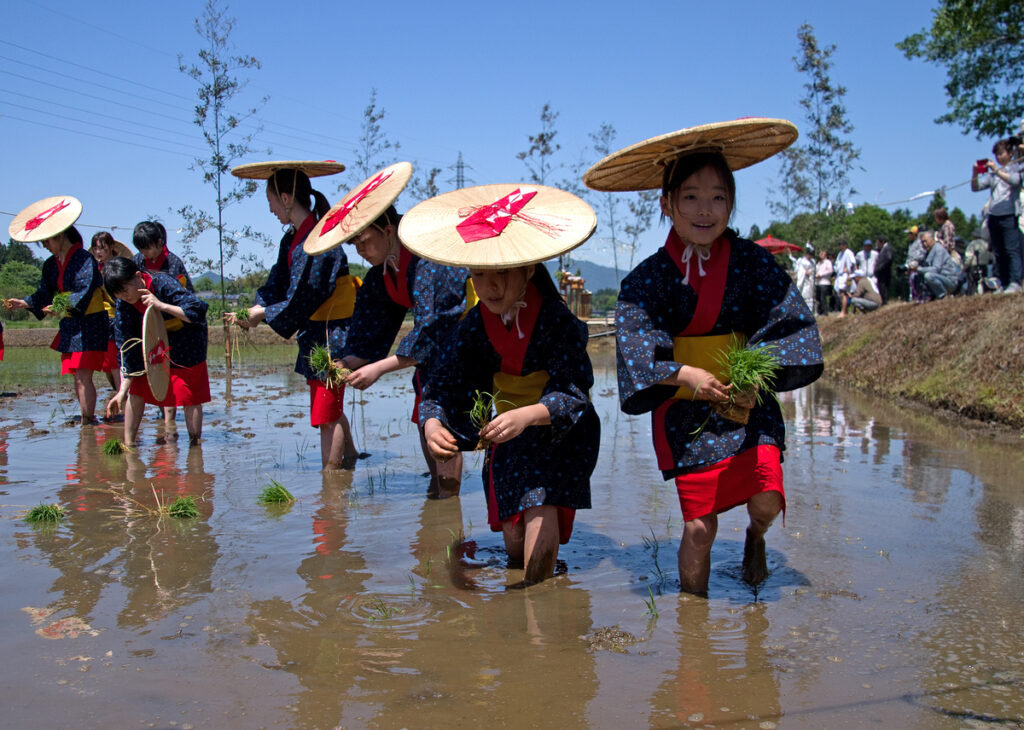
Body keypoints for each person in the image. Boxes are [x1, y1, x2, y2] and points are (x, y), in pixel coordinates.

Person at [584, 118, 823, 596]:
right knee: (699, 528)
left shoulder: (753, 263)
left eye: (718, 197)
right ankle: (692, 619)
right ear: (667, 204)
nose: (705, 209)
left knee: (767, 498)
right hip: (685, 410)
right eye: (691, 196)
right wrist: (686, 374)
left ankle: (756, 535)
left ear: (731, 203)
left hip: (746, 401)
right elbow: (638, 349)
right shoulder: (646, 280)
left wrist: (754, 375)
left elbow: (790, 325)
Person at [409, 182, 601, 585]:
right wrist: (432, 422)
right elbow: (442, 384)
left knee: (541, 511)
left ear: (528, 269)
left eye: (502, 273)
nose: (490, 287)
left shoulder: (557, 321)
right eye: (480, 275)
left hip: (557, 433)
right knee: (514, 543)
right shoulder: (472, 328)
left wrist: (528, 415)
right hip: (507, 435)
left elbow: (575, 391)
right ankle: (532, 587)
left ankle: (536, 607)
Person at [304, 162, 473, 499]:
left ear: (388, 229)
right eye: (355, 245)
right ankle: (438, 500)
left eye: (365, 241)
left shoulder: (426, 260)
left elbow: (432, 329)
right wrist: (346, 363)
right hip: (433, 360)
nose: (360, 251)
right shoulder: (381, 275)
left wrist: (379, 368)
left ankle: (447, 504)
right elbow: (370, 333)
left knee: (443, 421)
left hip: (464, 347)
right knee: (424, 417)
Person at [227, 160, 360, 471]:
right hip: (315, 330)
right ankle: (351, 457)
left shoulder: (321, 239)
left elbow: (306, 296)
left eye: (271, 200)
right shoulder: (292, 239)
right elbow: (276, 282)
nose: (271, 209)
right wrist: (255, 308)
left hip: (331, 331)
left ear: (286, 198)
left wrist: (263, 313)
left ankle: (331, 482)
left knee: (326, 412)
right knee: (327, 402)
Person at [6, 196, 108, 425]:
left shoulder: (84, 259)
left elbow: (83, 290)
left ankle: (88, 420)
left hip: (90, 321)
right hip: (72, 324)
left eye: (46, 240)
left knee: (83, 374)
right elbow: (44, 293)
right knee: (76, 376)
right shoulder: (51, 264)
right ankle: (87, 418)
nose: (44, 246)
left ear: (60, 235)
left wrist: (60, 305)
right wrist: (24, 302)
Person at [103, 257, 210, 446]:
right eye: (118, 294)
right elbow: (126, 345)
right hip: (151, 342)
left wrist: (160, 305)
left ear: (138, 276)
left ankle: (195, 446)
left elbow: (197, 311)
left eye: (125, 290)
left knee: (189, 393)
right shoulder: (123, 304)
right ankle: (128, 445)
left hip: (186, 339)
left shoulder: (163, 283)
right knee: (137, 388)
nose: (124, 297)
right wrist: (121, 391)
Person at [972, 137, 1023, 293]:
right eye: (997, 155)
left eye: (1001, 153)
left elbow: (1015, 181)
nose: (999, 157)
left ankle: (1015, 282)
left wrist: (997, 170)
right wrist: (975, 173)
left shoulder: (1016, 167)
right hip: (993, 216)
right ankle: (1004, 282)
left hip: (1009, 215)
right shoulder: (993, 175)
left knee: (1011, 250)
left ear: (1010, 153)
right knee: (998, 252)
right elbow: (976, 187)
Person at [89, 231, 129, 392]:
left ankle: (121, 394)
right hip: (100, 318)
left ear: (111, 247)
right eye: (95, 248)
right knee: (107, 363)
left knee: (114, 361)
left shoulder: (118, 267)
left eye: (102, 248)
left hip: (116, 317)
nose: (98, 252)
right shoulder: (96, 269)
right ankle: (118, 393)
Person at [132, 221, 194, 292]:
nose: (143, 252)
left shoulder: (175, 263)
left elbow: (186, 293)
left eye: (147, 248)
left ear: (159, 242)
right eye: (140, 249)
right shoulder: (137, 260)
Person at [918, 230, 961, 300]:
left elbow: (936, 269)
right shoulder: (928, 252)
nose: (924, 244)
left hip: (949, 281)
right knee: (918, 275)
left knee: (928, 276)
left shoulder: (938, 249)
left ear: (932, 239)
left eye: (925, 241)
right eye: (922, 242)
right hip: (940, 279)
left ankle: (943, 296)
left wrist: (918, 269)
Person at [789, 244, 815, 313]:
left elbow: (813, 270)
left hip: (809, 281)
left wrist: (810, 272)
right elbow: (798, 269)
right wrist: (804, 272)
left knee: (809, 296)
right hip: (802, 281)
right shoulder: (801, 260)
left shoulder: (812, 262)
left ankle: (809, 310)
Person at [833, 238, 857, 303]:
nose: (840, 246)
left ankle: (846, 307)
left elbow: (853, 263)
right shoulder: (840, 253)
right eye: (839, 245)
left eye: (842, 245)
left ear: (845, 245)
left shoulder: (848, 252)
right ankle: (845, 307)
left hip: (846, 276)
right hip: (840, 276)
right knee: (842, 292)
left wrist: (851, 275)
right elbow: (837, 265)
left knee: (844, 292)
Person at [874, 235, 894, 304]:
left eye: (878, 243)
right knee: (881, 288)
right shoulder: (882, 249)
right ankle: (883, 302)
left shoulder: (887, 248)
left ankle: (885, 302)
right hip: (882, 273)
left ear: (882, 242)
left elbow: (889, 258)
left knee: (884, 289)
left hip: (884, 273)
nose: (877, 245)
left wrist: (880, 267)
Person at [814, 248, 834, 315]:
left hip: (824, 282)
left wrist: (821, 274)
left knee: (823, 298)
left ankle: (825, 311)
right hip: (818, 283)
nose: (821, 254)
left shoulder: (828, 262)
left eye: (822, 253)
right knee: (818, 298)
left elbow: (830, 271)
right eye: (820, 253)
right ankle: (819, 311)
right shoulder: (819, 263)